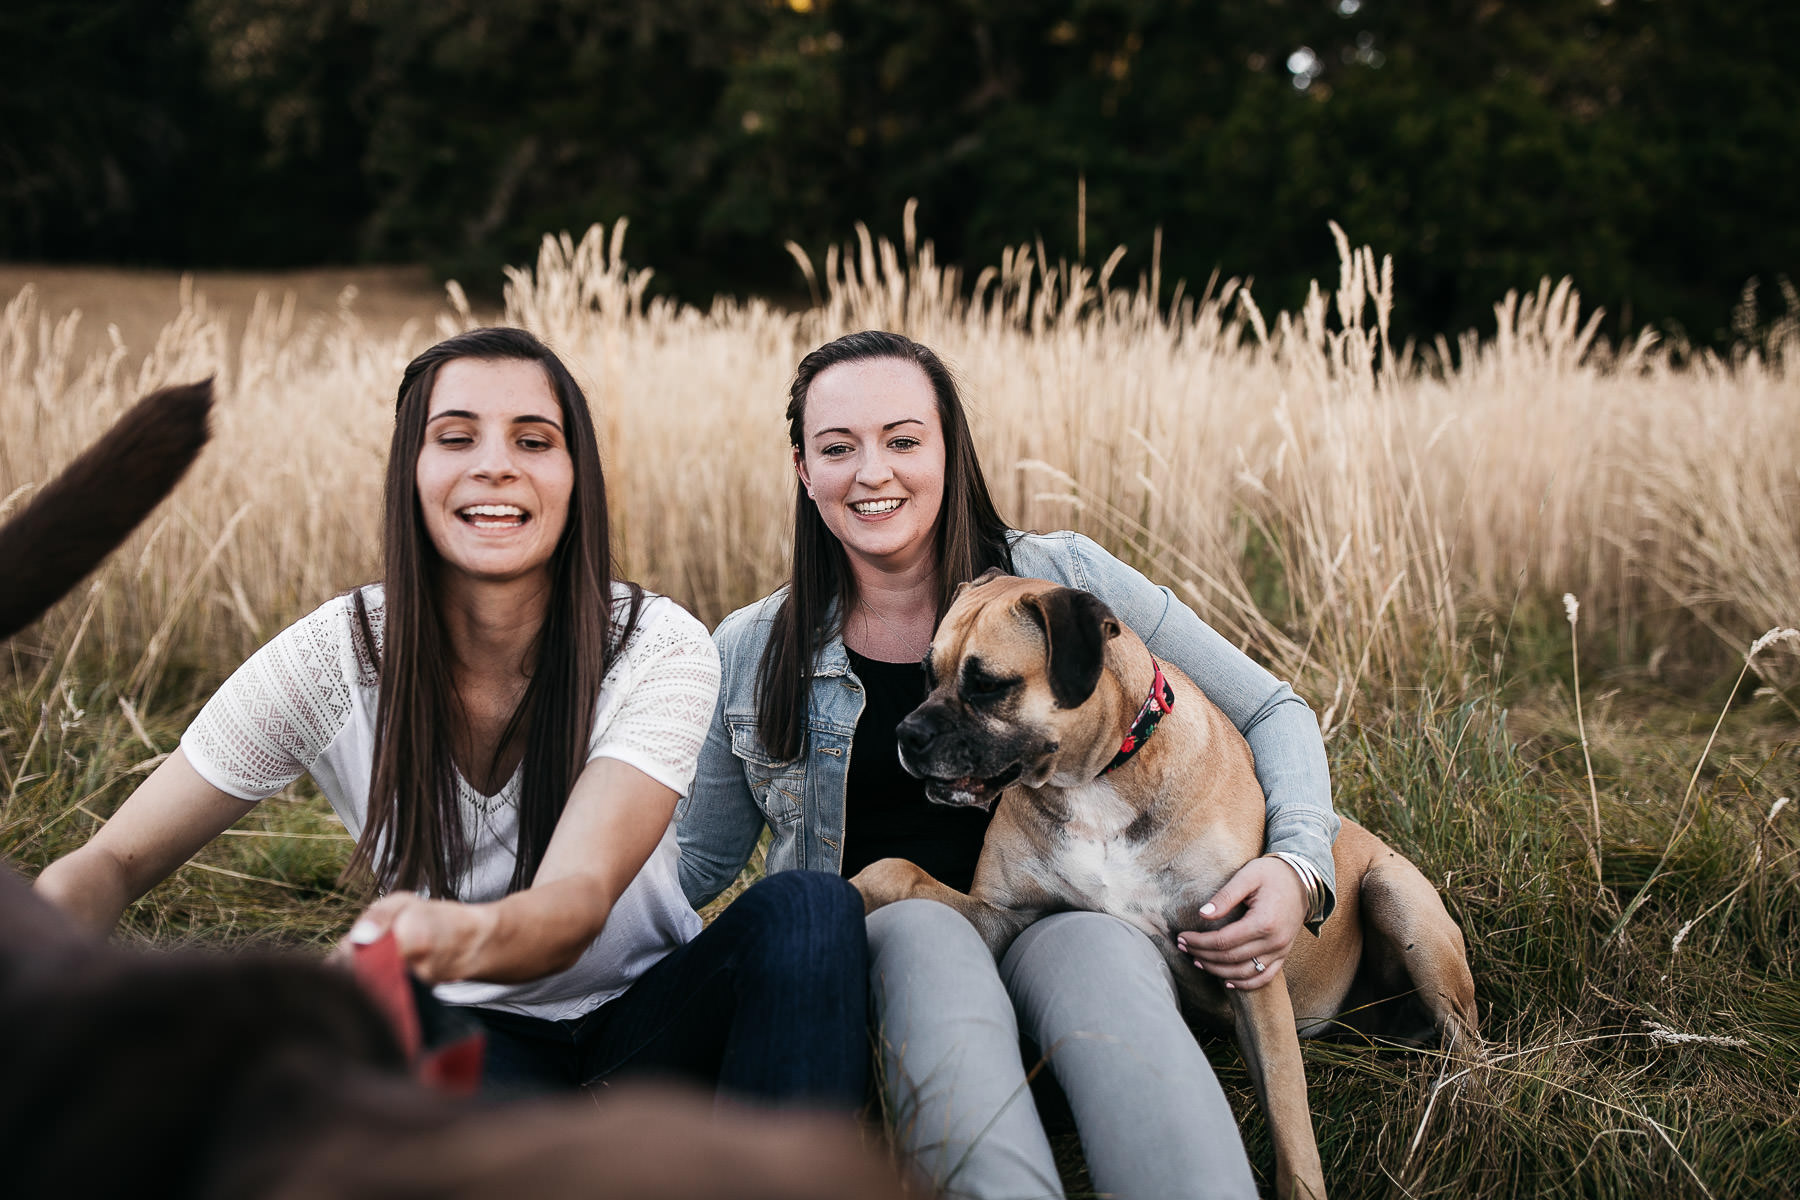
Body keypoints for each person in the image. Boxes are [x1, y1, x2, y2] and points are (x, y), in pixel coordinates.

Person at [34, 326, 868, 1108]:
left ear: (577, 477)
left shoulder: (657, 646)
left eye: (534, 441)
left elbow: (575, 904)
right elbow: (110, 858)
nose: (496, 467)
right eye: (457, 437)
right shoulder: (334, 657)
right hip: (469, 1042)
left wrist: (436, 938)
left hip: (647, 1025)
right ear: (411, 471)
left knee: (808, 909)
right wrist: (41, 990)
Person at [679, 330, 1341, 1198]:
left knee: (1098, 949)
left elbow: (1270, 706)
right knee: (922, 928)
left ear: (949, 451)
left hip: (1066, 925)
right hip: (909, 949)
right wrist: (540, 899)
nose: (872, 472)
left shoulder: (1058, 579)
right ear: (805, 470)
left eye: (904, 440)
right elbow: (695, 862)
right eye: (838, 448)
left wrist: (1298, 866)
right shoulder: (753, 648)